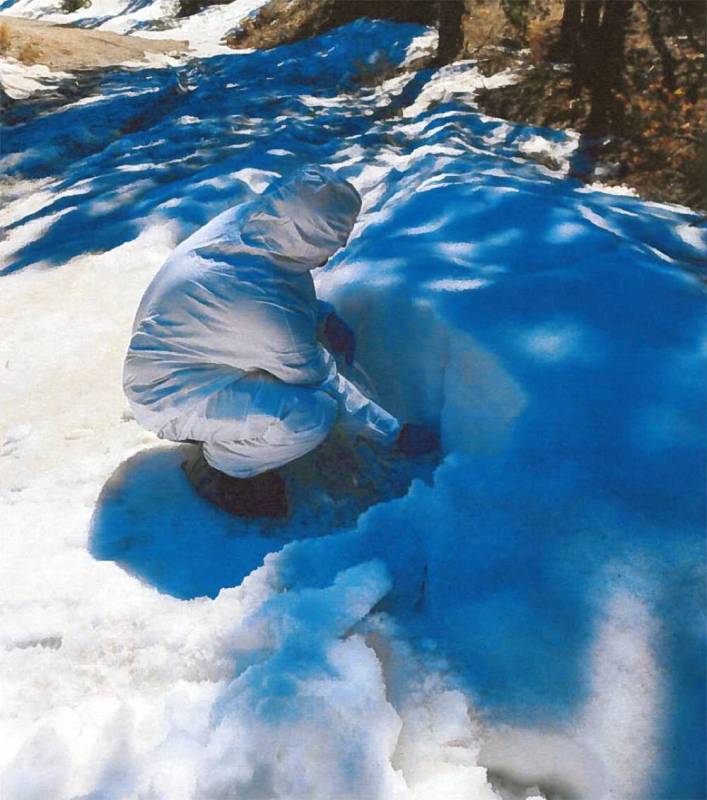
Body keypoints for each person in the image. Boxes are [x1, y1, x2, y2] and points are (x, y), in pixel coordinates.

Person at [123, 166, 437, 518]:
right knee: (310, 415)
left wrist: (323, 316)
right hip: (168, 397)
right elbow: (319, 378)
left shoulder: (253, 226)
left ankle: (231, 432)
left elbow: (271, 287)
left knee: (292, 387)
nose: (336, 251)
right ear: (307, 237)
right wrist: (392, 433)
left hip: (185, 363)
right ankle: (221, 469)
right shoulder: (260, 304)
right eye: (330, 243)